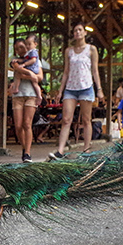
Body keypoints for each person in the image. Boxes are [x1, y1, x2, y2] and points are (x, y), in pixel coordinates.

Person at [48, 22, 104, 160]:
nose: (77, 32)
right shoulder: (69, 51)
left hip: (86, 87)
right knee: (66, 119)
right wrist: (60, 91)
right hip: (70, 88)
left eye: (80, 30)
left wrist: (99, 89)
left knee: (86, 119)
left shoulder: (91, 49)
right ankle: (60, 150)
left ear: (85, 33)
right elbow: (66, 71)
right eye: (75, 31)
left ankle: (86, 148)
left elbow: (95, 71)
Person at [10, 40, 42, 163]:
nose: (21, 50)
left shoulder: (35, 59)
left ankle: (27, 153)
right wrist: (30, 75)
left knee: (27, 124)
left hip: (31, 95)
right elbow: (18, 69)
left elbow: (40, 77)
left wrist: (26, 75)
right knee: (18, 126)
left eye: (22, 47)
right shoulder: (15, 60)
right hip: (18, 95)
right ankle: (24, 147)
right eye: (17, 48)